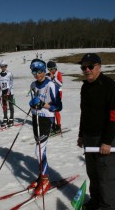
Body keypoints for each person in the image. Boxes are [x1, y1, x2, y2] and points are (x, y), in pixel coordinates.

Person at [76, 53, 115, 210]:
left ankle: (108, 206)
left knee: (106, 178)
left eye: (90, 66)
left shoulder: (109, 85)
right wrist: (81, 134)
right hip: (88, 138)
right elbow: (84, 112)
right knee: (93, 174)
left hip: (104, 140)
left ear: (99, 67)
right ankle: (95, 202)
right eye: (83, 67)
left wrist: (107, 141)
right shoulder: (85, 86)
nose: (87, 70)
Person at [28, 59, 62, 196]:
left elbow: (58, 106)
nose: (37, 75)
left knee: (39, 151)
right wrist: (33, 104)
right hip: (35, 118)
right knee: (40, 150)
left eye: (40, 71)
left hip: (46, 119)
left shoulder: (51, 85)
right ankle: (42, 176)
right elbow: (33, 103)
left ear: (44, 70)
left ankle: (46, 180)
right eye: (34, 72)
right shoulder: (32, 85)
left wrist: (43, 105)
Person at [0, 60, 15, 127]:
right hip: (3, 92)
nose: (3, 68)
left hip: (9, 92)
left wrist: (7, 93)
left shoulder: (9, 74)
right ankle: (5, 118)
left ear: (6, 66)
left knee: (10, 105)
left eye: (4, 66)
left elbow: (11, 84)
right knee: (4, 105)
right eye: (2, 66)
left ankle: (11, 118)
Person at [46, 61, 63, 133]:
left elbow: (60, 84)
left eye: (54, 68)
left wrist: (53, 78)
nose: (53, 70)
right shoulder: (48, 74)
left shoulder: (58, 73)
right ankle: (52, 125)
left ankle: (58, 126)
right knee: (50, 110)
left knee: (56, 110)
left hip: (58, 94)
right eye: (50, 69)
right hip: (50, 95)